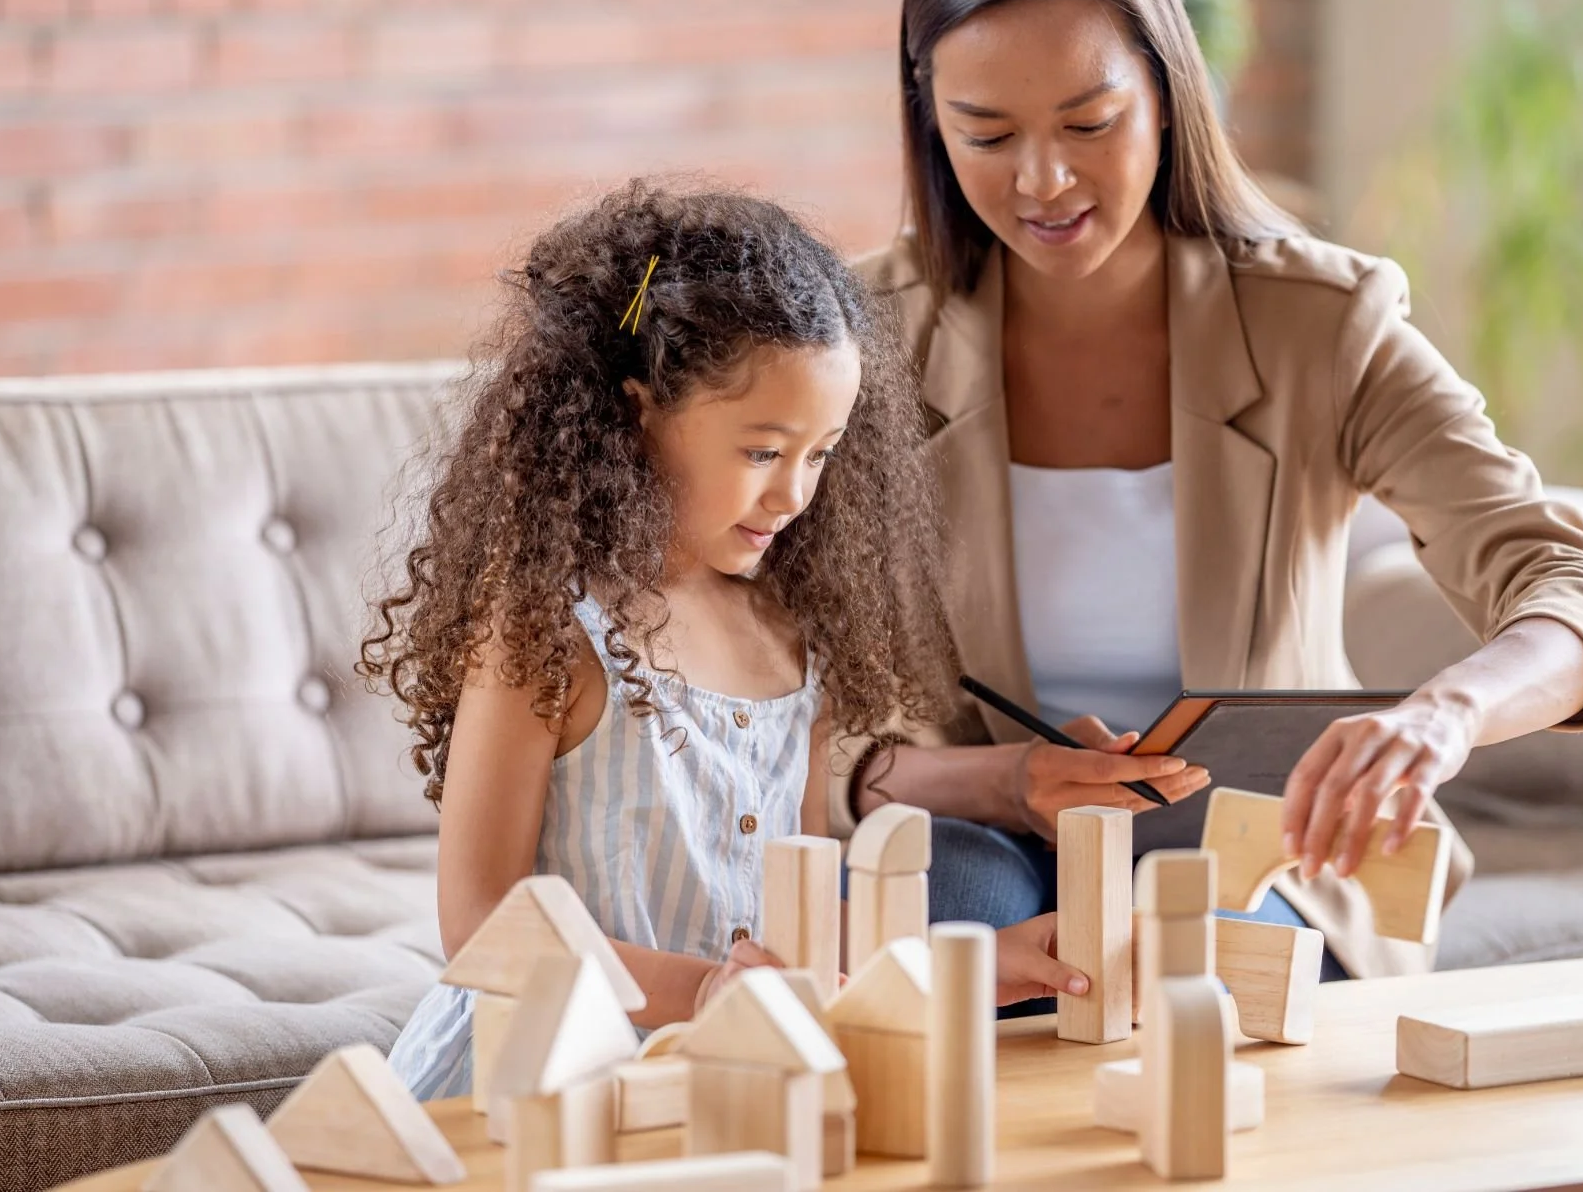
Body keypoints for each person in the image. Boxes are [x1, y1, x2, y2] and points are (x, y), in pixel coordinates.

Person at [837, 0, 1583, 987]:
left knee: (1212, 979)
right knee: (953, 925)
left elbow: (1577, 588)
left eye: (1088, 122)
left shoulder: (1319, 325)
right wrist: (1007, 778)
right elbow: (761, 704)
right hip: (970, 828)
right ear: (928, 117)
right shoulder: (856, 341)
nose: (1042, 180)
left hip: (1249, 845)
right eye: (986, 133)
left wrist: (1439, 715)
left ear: (1169, 97)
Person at [360, 182, 1080, 1101]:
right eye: (762, 452)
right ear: (635, 414)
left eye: (822, 453)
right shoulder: (543, 628)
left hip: (725, 1083)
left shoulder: (794, 638)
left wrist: (973, 962)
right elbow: (485, 926)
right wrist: (704, 992)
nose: (795, 495)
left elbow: (797, 924)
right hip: (533, 1081)